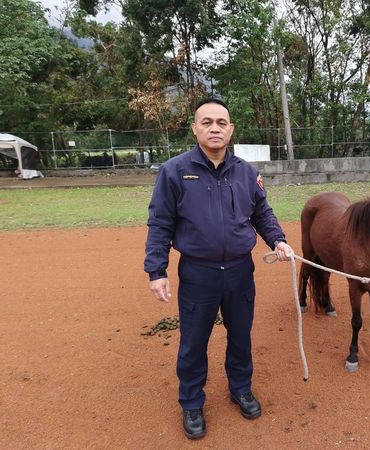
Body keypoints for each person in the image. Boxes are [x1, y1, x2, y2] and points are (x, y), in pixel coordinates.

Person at [144, 98, 293, 440]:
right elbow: (160, 224)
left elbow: (262, 214)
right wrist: (157, 270)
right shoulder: (174, 171)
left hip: (241, 272)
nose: (215, 128)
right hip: (199, 274)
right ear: (195, 128)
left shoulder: (246, 172)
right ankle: (192, 402)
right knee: (194, 342)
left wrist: (278, 240)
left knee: (240, 337)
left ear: (231, 129)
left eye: (221, 122)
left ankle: (240, 388)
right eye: (207, 122)